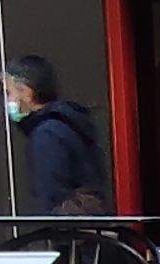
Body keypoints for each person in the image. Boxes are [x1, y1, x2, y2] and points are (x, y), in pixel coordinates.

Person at [7, 54, 110, 215]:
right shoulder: (68, 123)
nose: (7, 100)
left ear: (26, 92)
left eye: (9, 92)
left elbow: (51, 198)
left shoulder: (47, 134)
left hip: (71, 233)